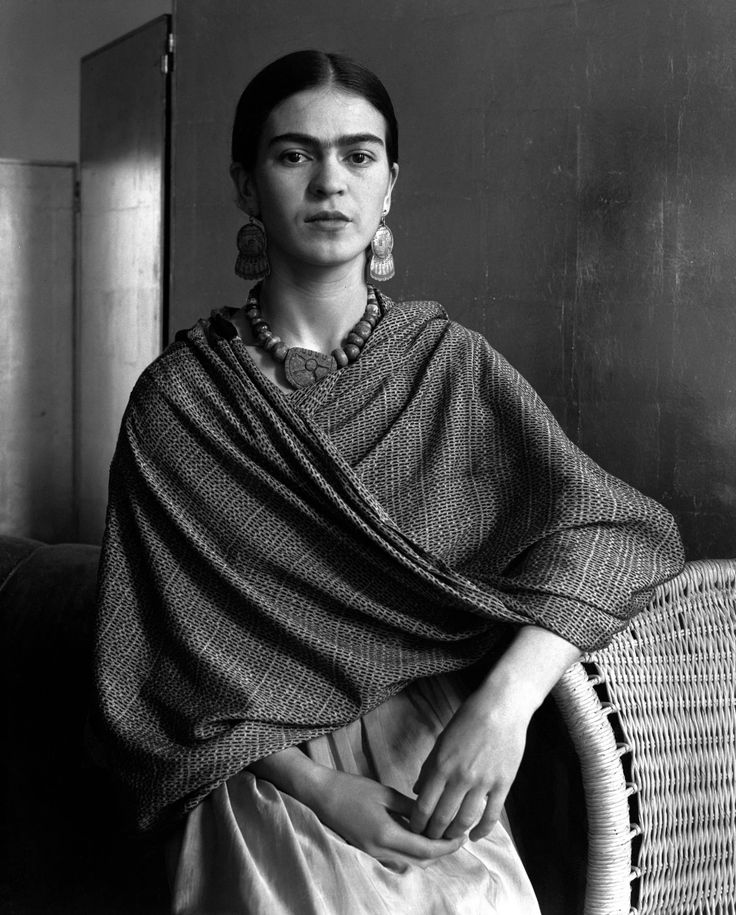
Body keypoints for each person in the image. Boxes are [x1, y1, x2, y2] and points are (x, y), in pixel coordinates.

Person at [91, 50, 684, 914]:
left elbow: (622, 533)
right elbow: (156, 672)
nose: (331, 181)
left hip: (439, 775)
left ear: (390, 186)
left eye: (358, 155)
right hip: (262, 792)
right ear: (246, 186)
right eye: (294, 154)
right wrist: (319, 789)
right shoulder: (180, 403)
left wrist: (503, 709)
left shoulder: (446, 368)